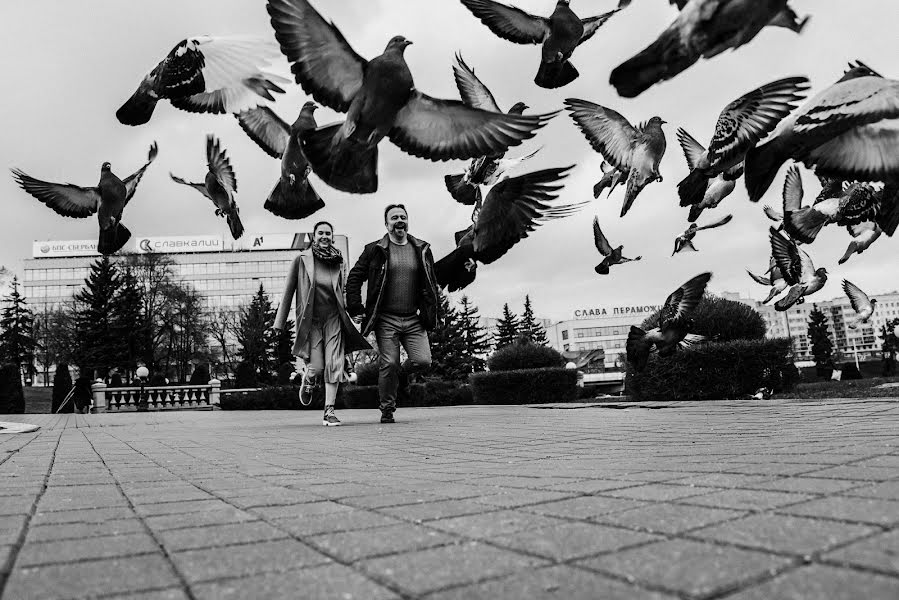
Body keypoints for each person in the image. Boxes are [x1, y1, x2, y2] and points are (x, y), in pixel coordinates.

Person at [346, 204, 438, 423]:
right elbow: (354, 277)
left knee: (423, 361)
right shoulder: (374, 249)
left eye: (403, 217)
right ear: (386, 223)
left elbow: (432, 282)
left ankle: (398, 376)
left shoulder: (422, 248)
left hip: (413, 318)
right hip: (385, 318)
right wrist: (355, 308)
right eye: (394, 217)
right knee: (389, 362)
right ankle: (387, 409)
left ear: (407, 221)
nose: (399, 220)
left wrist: (434, 310)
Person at [275, 221, 371, 426]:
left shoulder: (338, 261)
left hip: (334, 318)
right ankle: (308, 380)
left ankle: (329, 410)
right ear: (314, 236)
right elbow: (289, 290)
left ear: (332, 236)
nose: (324, 236)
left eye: (328, 233)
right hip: (312, 321)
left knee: (334, 364)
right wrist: (279, 323)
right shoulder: (301, 260)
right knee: (316, 367)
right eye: (321, 233)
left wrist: (354, 312)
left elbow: (344, 290)